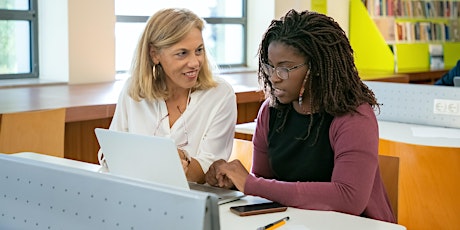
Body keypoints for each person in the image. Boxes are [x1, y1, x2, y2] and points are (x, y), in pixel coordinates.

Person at [205, 9, 396, 223]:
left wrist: (250, 184)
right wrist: (234, 181)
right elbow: (264, 184)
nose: (274, 78)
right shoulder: (271, 111)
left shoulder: (353, 116)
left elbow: (349, 199)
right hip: (294, 222)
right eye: (270, 66)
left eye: (285, 69)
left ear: (316, 68)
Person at [99, 8, 237, 184]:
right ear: (154, 54)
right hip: (137, 196)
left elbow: (209, 171)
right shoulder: (133, 91)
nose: (195, 62)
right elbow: (110, 154)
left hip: (193, 200)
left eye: (199, 50)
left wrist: (182, 163)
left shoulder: (220, 95)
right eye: (182, 53)